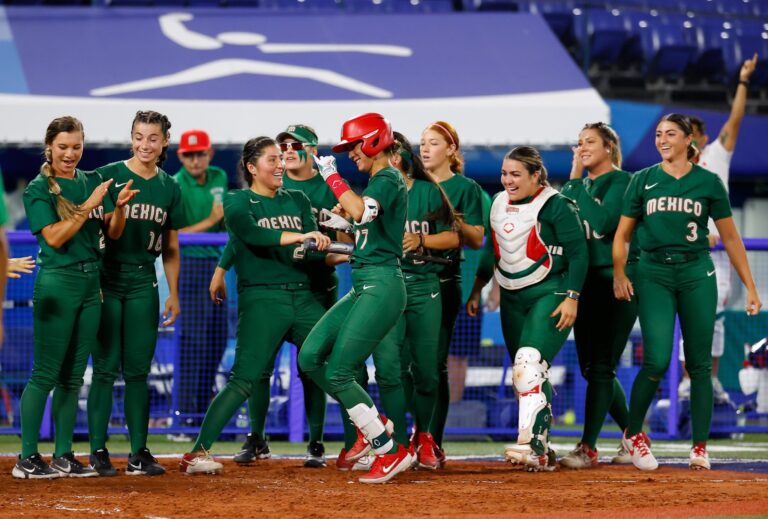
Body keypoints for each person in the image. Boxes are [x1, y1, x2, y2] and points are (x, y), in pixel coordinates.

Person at [614, 113, 762, 471]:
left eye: (670, 134)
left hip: (697, 272)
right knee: (657, 359)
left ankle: (699, 448)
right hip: (653, 273)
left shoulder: (709, 183)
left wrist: (752, 288)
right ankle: (633, 434)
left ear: (688, 140)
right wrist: (620, 272)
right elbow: (622, 236)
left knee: (699, 365)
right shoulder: (643, 180)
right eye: (659, 134)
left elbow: (730, 237)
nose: (662, 139)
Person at [180, 136, 331, 474]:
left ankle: (367, 442)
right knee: (246, 378)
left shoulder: (298, 198)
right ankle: (198, 452)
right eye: (272, 159)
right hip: (262, 298)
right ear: (251, 167)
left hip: (304, 295)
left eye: (281, 158)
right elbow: (247, 234)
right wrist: (221, 268)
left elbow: (313, 245)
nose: (281, 164)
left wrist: (326, 242)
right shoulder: (236, 200)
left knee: (336, 364)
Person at [13, 116, 136, 479]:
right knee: (45, 374)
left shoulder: (91, 180)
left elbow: (112, 232)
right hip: (58, 284)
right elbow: (54, 238)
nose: (70, 153)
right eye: (63, 146)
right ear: (48, 146)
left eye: (77, 146)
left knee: (72, 377)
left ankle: (64, 454)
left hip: (90, 284)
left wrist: (121, 206)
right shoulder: (38, 189)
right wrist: (89, 205)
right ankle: (27, 458)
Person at [298, 113, 412, 484]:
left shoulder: (388, 177)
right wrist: (343, 226)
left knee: (339, 371)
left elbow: (364, 211)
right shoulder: (380, 179)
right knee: (310, 355)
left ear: (376, 141)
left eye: (353, 146)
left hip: (381, 284)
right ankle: (372, 423)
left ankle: (388, 447)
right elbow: (367, 224)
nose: (350, 154)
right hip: (365, 282)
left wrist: (332, 176)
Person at [466, 146, 588, 472]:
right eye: (505, 173)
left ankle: (531, 446)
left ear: (536, 176)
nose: (508, 180)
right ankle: (543, 448)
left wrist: (572, 298)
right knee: (529, 375)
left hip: (551, 291)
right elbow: (492, 250)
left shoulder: (556, 205)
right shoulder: (496, 203)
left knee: (528, 363)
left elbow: (579, 253)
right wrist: (478, 289)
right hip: (511, 297)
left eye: (516, 174)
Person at [227, 124, 337, 468]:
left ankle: (317, 441)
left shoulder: (329, 188)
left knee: (314, 365)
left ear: (314, 150)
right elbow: (245, 234)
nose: (287, 152)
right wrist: (220, 268)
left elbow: (339, 235)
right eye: (281, 147)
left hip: (318, 285)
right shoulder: (274, 186)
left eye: (295, 145)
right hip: (277, 285)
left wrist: (342, 247)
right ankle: (256, 436)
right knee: (258, 368)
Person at [87, 110, 186, 477]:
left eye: (153, 138)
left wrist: (172, 292)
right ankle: (97, 449)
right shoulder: (107, 176)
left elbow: (171, 247)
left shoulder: (170, 186)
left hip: (146, 280)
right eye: (139, 136)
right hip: (107, 279)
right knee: (104, 369)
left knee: (138, 373)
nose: (145, 144)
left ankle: (138, 452)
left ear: (164, 143)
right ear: (131, 137)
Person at [371, 131, 459, 469]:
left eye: (395, 151)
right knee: (391, 369)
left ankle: (423, 435)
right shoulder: (376, 191)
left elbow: (454, 236)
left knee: (426, 371)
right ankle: (395, 443)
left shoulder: (427, 190)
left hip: (425, 287)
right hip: (390, 287)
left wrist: (420, 239)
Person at [678, 53, 759, 403]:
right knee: (692, 316)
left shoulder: (716, 156)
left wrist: (743, 80)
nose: (688, 141)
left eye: (692, 135)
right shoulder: (673, 168)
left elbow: (736, 119)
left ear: (702, 136)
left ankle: (709, 380)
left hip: (721, 255)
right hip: (689, 252)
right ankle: (684, 384)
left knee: (718, 318)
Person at [559, 123, 638, 469]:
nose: (582, 148)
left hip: (615, 282)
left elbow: (604, 222)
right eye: (579, 143)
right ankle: (636, 436)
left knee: (603, 366)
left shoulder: (624, 182)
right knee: (593, 369)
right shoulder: (579, 186)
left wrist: (574, 183)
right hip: (584, 284)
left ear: (609, 147)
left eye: (589, 142)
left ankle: (588, 447)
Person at [420, 121, 485, 467]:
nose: (425, 149)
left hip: (444, 282)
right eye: (422, 143)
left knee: (435, 364)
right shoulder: (408, 184)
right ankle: (407, 439)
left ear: (451, 149)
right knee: (406, 365)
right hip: (406, 282)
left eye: (433, 143)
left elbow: (476, 239)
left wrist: (452, 218)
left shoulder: (466, 188)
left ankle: (433, 440)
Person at [173, 129, 229, 429]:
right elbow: (172, 235)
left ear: (210, 154)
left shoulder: (219, 176)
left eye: (200, 153)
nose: (195, 160)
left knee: (218, 337)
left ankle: (202, 403)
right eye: (189, 154)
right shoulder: (175, 185)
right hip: (190, 264)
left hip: (217, 263)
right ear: (181, 156)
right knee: (192, 340)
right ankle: (184, 414)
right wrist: (210, 220)